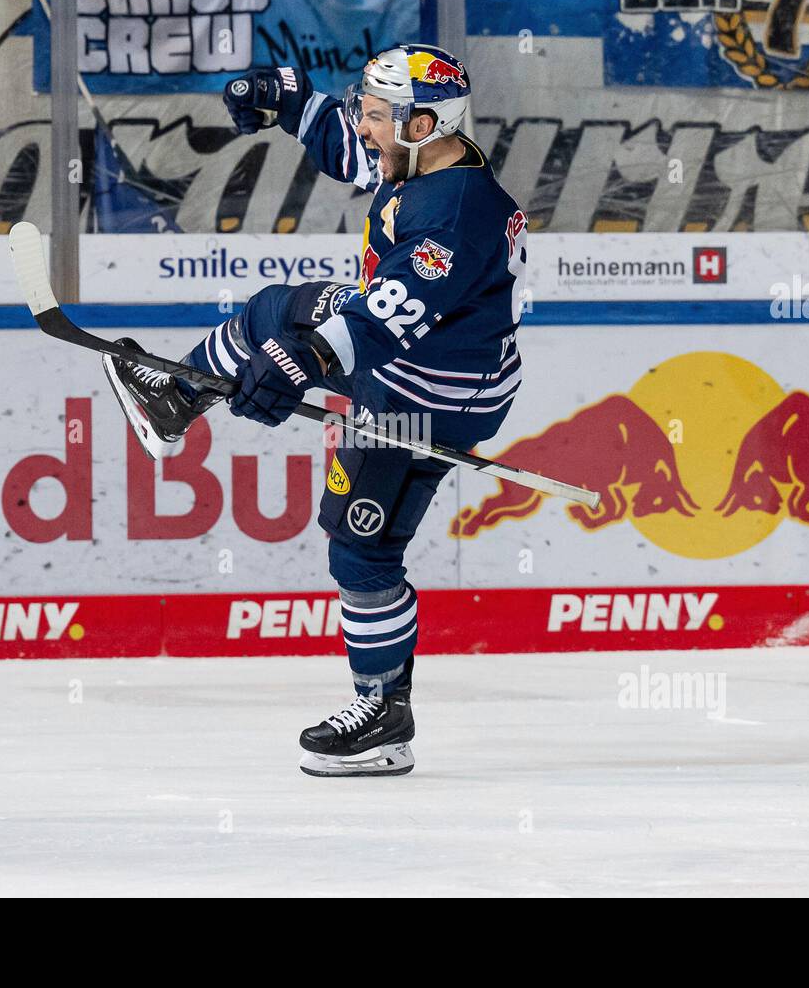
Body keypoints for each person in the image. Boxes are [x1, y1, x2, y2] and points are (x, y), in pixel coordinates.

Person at [103, 45, 527, 776]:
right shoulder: (424, 158)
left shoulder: (456, 214)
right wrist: (291, 98)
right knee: (278, 309)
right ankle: (175, 398)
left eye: (374, 113)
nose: (364, 125)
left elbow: (388, 318)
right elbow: (355, 156)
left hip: (431, 395)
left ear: (421, 121)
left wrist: (306, 363)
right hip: (416, 363)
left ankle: (384, 718)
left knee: (360, 551)